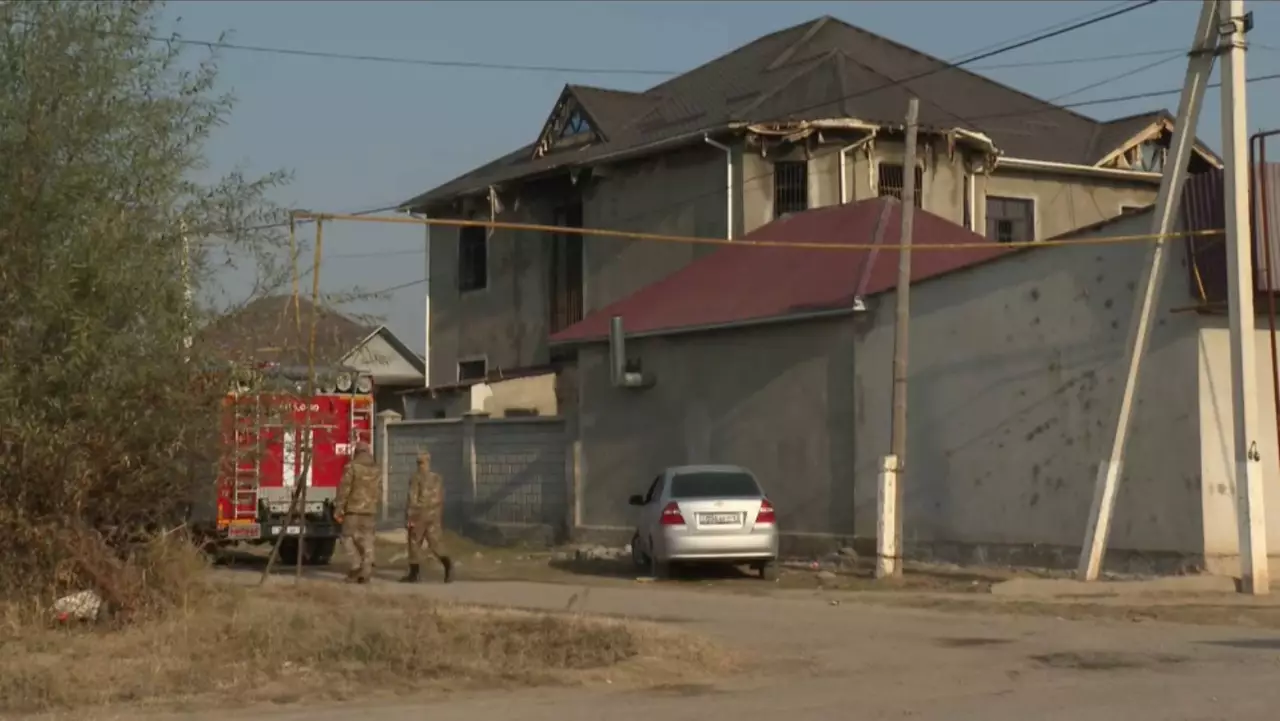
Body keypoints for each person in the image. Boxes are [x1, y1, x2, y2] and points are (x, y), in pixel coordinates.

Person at [400, 449, 454, 583]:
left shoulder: (416, 477)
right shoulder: (437, 478)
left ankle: (414, 574)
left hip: (419, 516)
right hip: (433, 516)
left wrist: (409, 518)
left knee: (414, 544)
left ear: (419, 463)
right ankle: (448, 566)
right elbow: (441, 497)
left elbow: (412, 499)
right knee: (435, 543)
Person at [333, 441, 381, 584]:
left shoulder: (351, 467)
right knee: (368, 539)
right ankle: (366, 569)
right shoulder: (376, 469)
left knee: (347, 537)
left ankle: (355, 567)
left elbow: (344, 490)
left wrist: (338, 508)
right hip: (370, 510)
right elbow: (380, 490)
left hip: (353, 509)